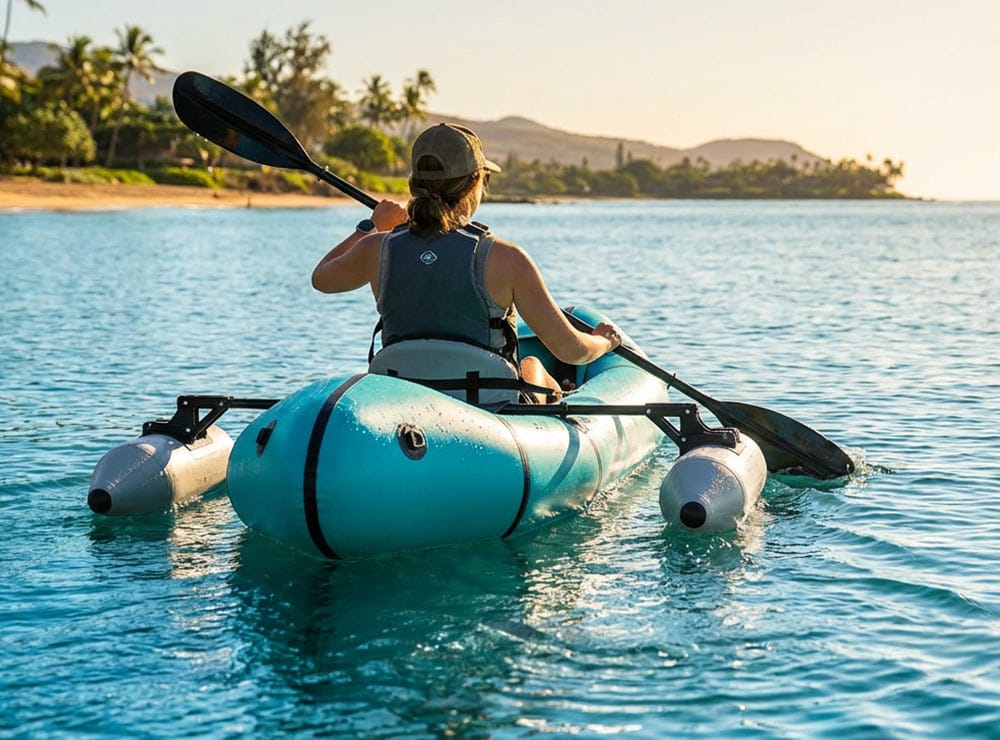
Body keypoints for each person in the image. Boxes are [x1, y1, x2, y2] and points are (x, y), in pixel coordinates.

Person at [311, 122, 622, 404]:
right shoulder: (505, 257)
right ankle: (559, 396)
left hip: (402, 401)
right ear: (476, 183)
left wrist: (371, 226)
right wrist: (603, 342)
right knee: (533, 366)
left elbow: (322, 278)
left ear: (413, 184)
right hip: (486, 407)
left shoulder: (377, 248)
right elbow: (571, 351)